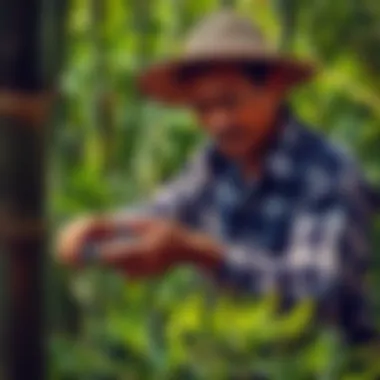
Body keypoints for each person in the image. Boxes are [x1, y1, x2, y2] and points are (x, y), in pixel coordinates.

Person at [57, 10, 376, 343]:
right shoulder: (215, 162)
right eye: (203, 109)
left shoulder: (327, 172)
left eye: (230, 101)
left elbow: (319, 296)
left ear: (274, 89)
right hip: (234, 352)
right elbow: (164, 210)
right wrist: (103, 228)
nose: (219, 122)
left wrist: (204, 254)